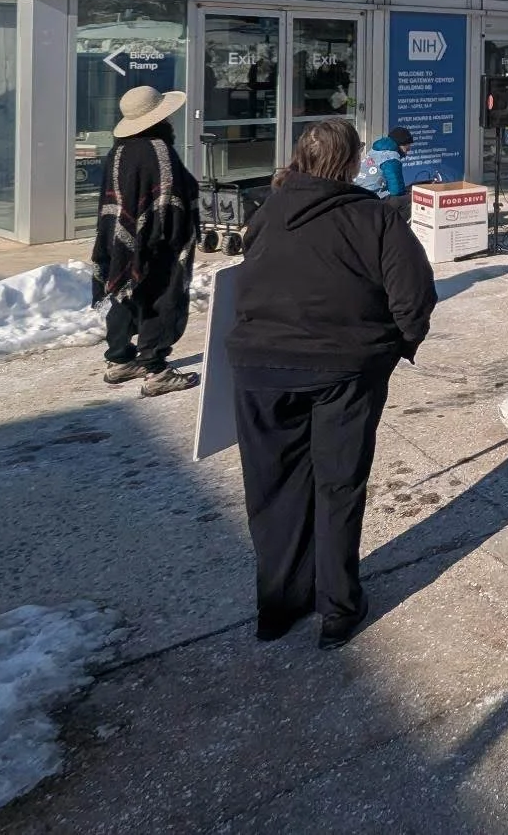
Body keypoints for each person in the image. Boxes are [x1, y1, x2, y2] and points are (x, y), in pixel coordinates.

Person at [227, 118, 437, 648]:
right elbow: (414, 298)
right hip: (344, 370)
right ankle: (338, 607)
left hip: (260, 368)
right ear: (349, 163)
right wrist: (393, 349)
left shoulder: (267, 212)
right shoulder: (375, 217)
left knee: (273, 486)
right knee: (338, 482)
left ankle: (278, 604)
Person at [92, 85, 202, 398]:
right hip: (158, 240)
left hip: (121, 239)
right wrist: (176, 239)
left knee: (125, 292)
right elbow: (170, 200)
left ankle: (120, 359)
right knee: (162, 297)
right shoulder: (158, 150)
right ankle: (156, 370)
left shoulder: (119, 151)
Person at [354, 125, 415, 201]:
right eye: (408, 146)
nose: (409, 149)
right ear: (401, 144)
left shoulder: (375, 150)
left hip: (358, 190)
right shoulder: (391, 158)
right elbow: (396, 190)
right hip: (371, 197)